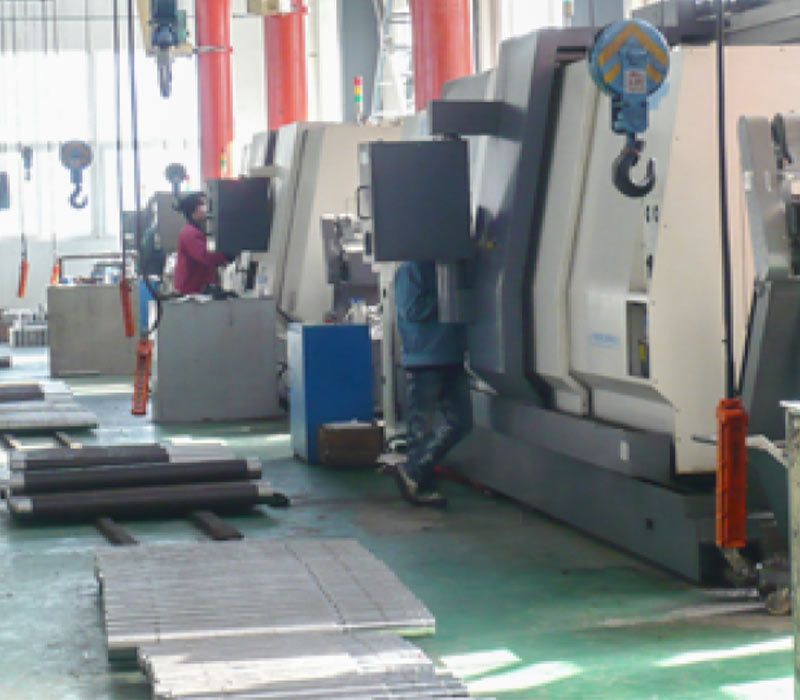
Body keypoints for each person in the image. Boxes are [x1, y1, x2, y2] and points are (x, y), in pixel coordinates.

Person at [391, 260, 472, 508]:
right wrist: (449, 300)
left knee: (461, 422)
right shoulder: (411, 268)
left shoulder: (451, 267)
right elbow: (410, 309)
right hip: (424, 357)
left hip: (451, 355)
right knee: (421, 427)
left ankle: (415, 470)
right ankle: (416, 478)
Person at [174, 192, 228, 295]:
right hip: (192, 291)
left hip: (198, 289)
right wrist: (226, 255)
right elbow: (206, 256)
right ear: (193, 210)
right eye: (202, 204)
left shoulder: (197, 231)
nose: (206, 208)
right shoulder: (190, 233)